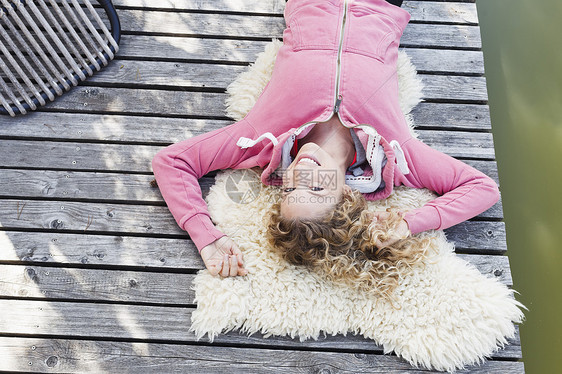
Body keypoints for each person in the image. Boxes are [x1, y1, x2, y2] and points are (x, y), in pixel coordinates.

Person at [152, 0, 499, 282]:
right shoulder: (397, 152)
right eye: (317, 190)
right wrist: (409, 222)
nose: (302, 174)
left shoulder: (259, 138)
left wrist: (207, 236)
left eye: (290, 191)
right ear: (347, 194)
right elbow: (482, 189)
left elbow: (172, 162)